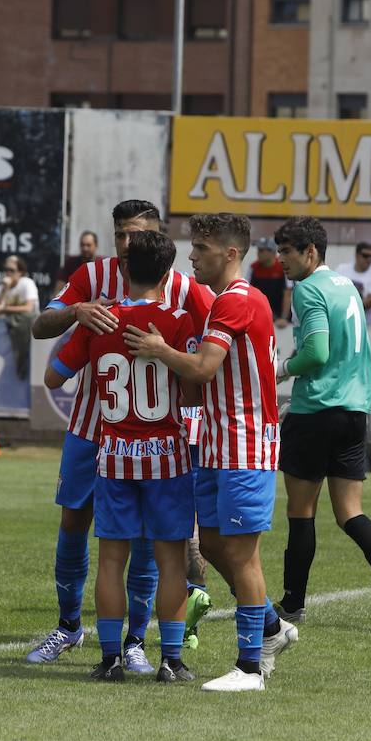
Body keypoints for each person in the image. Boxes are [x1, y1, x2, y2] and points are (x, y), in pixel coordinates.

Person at [25, 200, 214, 673]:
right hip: (94, 428)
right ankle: (70, 627)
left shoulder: (186, 289)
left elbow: (217, 339)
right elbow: (38, 326)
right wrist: (76, 313)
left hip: (130, 437)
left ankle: (130, 642)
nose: (128, 245)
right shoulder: (91, 278)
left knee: (138, 545)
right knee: (75, 525)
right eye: (121, 235)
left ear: (156, 237)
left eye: (137, 235)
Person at [125, 212, 292, 692]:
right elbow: (202, 384)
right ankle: (270, 629)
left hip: (244, 444)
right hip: (218, 442)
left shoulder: (239, 301)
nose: (191, 257)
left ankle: (249, 668)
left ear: (231, 253)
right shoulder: (224, 303)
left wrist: (159, 348)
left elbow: (201, 368)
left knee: (241, 556)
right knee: (214, 546)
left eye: (200, 249)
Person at [272, 216, 371, 633]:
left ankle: (292, 605)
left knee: (301, 512)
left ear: (311, 252)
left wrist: (280, 369)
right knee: (350, 512)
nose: (281, 259)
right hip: (354, 411)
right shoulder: (345, 287)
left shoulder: (307, 289)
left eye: (288, 251)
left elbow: (316, 352)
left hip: (317, 409)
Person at [335, 241, 371, 323]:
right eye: (365, 256)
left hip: (366, 324)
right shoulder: (342, 269)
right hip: (343, 322)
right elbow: (334, 293)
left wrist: (345, 308)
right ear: (357, 255)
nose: (369, 259)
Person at [249, 237, 292, 327]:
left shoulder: (283, 267)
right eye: (258, 250)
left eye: (261, 250)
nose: (258, 253)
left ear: (272, 252)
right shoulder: (253, 267)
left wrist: (283, 318)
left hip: (281, 316)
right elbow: (248, 294)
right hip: (261, 315)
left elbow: (287, 293)